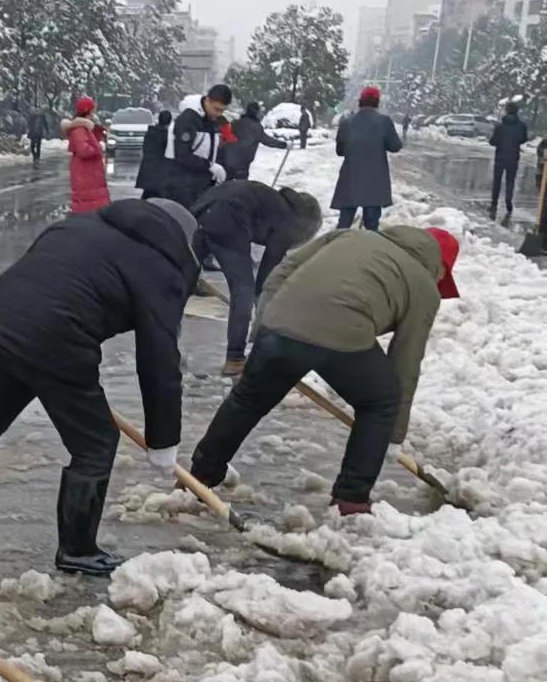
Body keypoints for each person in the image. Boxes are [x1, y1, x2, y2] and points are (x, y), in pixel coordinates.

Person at [0, 198, 200, 577]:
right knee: (96, 442)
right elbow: (159, 356)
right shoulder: (160, 265)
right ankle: (78, 550)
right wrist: (164, 441)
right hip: (56, 336)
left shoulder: (77, 226)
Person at [189, 224, 460, 515]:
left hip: (280, 323)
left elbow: (282, 271)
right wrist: (392, 435)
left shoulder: (350, 235)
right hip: (342, 337)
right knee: (380, 402)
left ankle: (199, 477)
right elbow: (406, 361)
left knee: (247, 400)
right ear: (440, 266)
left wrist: (265, 329)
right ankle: (351, 499)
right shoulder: (424, 287)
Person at [190, 181, 324, 375]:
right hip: (228, 217)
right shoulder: (291, 222)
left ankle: (162, 342)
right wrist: (259, 302)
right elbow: (268, 270)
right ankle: (235, 358)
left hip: (203, 210)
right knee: (243, 291)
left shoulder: (275, 203)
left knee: (184, 276)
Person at [331, 86, 402, 230]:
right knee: (372, 225)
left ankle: (339, 242)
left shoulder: (346, 122)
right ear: (377, 102)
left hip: (350, 178)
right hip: (374, 180)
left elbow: (340, 151)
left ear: (360, 101)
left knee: (344, 223)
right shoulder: (384, 122)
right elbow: (395, 146)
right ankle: (369, 243)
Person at [164, 83, 232, 208]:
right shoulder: (189, 120)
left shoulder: (212, 120)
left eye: (222, 110)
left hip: (202, 184)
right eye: (217, 109)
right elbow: (182, 155)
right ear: (207, 100)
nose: (219, 114)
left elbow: (210, 150)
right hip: (182, 186)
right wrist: (210, 166)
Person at [63, 95, 111, 214]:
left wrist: (98, 131)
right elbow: (83, 150)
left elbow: (91, 139)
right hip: (85, 173)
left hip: (89, 172)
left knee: (93, 202)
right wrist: (98, 149)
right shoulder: (79, 129)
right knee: (87, 204)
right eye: (92, 110)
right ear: (88, 111)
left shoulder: (86, 127)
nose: (94, 112)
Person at [223, 102, 287, 181]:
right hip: (242, 165)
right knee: (241, 186)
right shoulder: (257, 127)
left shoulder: (235, 123)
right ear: (255, 112)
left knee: (225, 185)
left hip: (227, 162)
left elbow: (225, 136)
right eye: (259, 112)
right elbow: (267, 140)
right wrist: (283, 145)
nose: (260, 114)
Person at [489, 100, 530, 223]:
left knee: (497, 181)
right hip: (513, 157)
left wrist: (499, 141)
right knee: (510, 180)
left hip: (500, 156)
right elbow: (524, 139)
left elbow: (492, 142)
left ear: (506, 111)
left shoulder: (500, 126)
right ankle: (508, 201)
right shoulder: (521, 126)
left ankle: (494, 204)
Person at [136, 109, 172, 197]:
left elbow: (145, 148)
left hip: (147, 167)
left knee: (148, 194)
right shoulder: (166, 136)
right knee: (158, 196)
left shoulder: (150, 132)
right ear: (169, 121)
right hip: (159, 171)